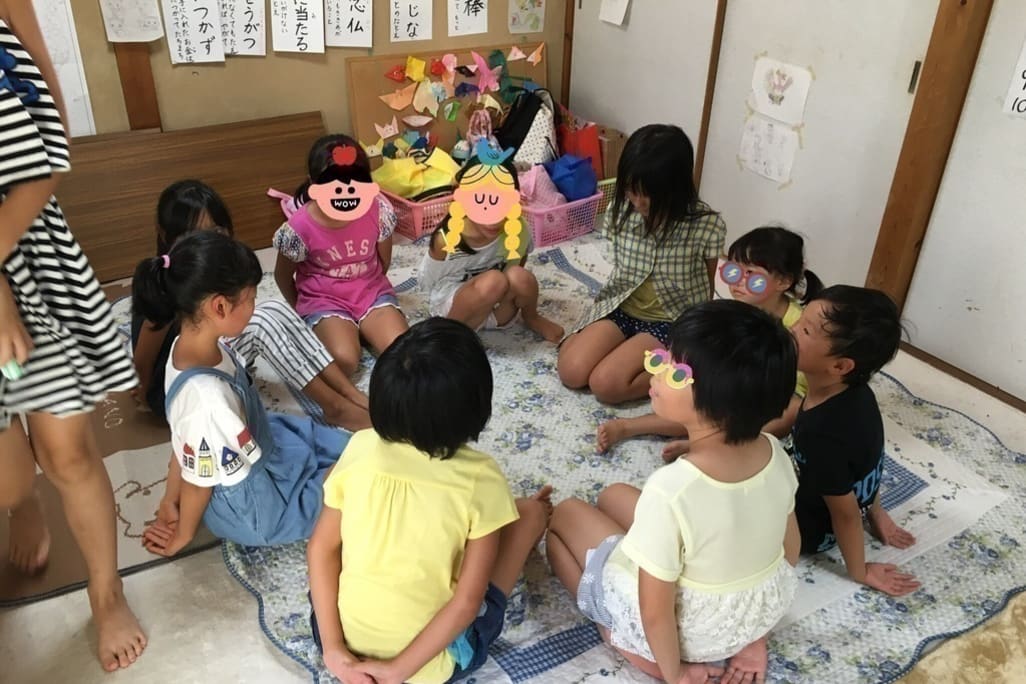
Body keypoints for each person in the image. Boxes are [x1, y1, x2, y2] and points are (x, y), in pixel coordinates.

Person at [0, 1, 146, 671]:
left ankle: (105, 591)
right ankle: (22, 504)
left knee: (67, 452)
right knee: (9, 479)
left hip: (29, 252)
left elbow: (49, 150)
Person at [547, 300, 801, 684]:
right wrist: (754, 631)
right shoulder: (774, 452)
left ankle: (619, 638)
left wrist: (675, 672)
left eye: (676, 372)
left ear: (721, 407)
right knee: (613, 495)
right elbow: (789, 550)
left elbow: (654, 613)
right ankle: (745, 638)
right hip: (749, 618)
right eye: (665, 359)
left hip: (689, 633)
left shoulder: (671, 489)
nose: (657, 370)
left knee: (563, 518)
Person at [307, 317, 552, 684]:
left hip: (342, 645)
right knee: (530, 514)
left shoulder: (359, 447)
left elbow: (320, 549)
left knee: (349, 547)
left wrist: (333, 650)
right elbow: (467, 604)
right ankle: (536, 515)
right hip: (430, 668)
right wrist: (396, 672)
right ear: (476, 406)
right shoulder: (482, 478)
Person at [132, 232, 350, 555]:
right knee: (358, 480)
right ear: (219, 306)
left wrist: (168, 498)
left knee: (350, 447)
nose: (254, 306)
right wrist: (183, 534)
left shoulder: (185, 346)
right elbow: (198, 482)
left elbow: (184, 441)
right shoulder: (207, 401)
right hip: (258, 506)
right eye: (251, 298)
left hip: (262, 443)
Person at [131, 179, 369, 430]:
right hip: (184, 386)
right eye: (192, 235)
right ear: (165, 235)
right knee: (261, 324)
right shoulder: (172, 282)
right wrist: (144, 393)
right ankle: (334, 407)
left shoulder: (208, 269)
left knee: (274, 308)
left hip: (209, 352)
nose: (206, 243)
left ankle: (348, 392)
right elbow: (143, 360)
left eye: (216, 232)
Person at [598, 226, 823, 459]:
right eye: (734, 270)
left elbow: (798, 392)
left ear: (783, 281)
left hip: (766, 392)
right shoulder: (733, 311)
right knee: (691, 395)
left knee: (770, 409)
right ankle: (630, 425)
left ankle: (708, 443)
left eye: (750, 274)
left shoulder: (798, 326)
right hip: (731, 380)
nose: (737, 281)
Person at [557, 124, 726, 405]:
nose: (636, 200)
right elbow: (620, 273)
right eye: (630, 190)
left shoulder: (706, 225)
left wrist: (697, 339)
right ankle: (621, 348)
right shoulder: (621, 212)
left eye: (645, 194)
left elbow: (707, 286)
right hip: (622, 306)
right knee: (571, 371)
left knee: (605, 385)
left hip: (668, 321)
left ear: (674, 189)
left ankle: (681, 366)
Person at [790, 285, 920, 596]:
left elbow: (845, 514)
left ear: (839, 366)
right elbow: (866, 463)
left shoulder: (820, 433)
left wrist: (859, 570)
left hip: (809, 532)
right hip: (840, 497)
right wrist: (876, 511)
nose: (792, 328)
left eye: (805, 330)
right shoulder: (858, 392)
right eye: (800, 319)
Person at [274, 134, 408, 375]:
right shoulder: (299, 227)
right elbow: (282, 277)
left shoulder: (377, 210)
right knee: (344, 360)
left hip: (371, 294)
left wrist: (370, 288)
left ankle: (363, 328)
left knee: (403, 352)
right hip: (324, 301)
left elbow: (384, 261)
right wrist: (306, 312)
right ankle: (343, 330)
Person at [418, 141, 564, 342]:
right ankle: (448, 337)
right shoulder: (447, 240)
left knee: (520, 277)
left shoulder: (518, 229)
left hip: (498, 309)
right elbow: (427, 283)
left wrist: (499, 292)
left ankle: (532, 317)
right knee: (493, 281)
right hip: (454, 311)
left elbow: (517, 263)